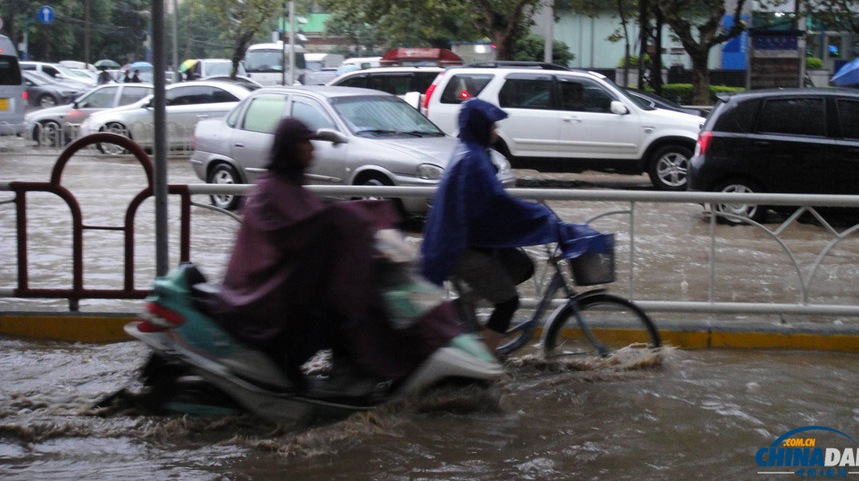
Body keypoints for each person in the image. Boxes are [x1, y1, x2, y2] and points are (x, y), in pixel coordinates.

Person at [209, 117, 462, 395]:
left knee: (349, 299)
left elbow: (317, 223)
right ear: (290, 148)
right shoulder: (270, 194)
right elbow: (307, 230)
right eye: (306, 143)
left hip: (284, 298)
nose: (312, 150)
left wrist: (364, 225)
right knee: (350, 308)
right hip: (266, 307)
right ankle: (348, 381)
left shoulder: (288, 188)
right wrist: (346, 221)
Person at [420, 99, 603, 356]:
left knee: (522, 266)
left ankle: (465, 312)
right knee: (509, 302)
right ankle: (486, 362)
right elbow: (498, 204)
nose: (495, 130)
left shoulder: (471, 152)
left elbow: (492, 204)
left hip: (460, 241)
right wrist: (541, 217)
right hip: (459, 247)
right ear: (480, 126)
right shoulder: (472, 160)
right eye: (491, 125)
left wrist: (535, 215)